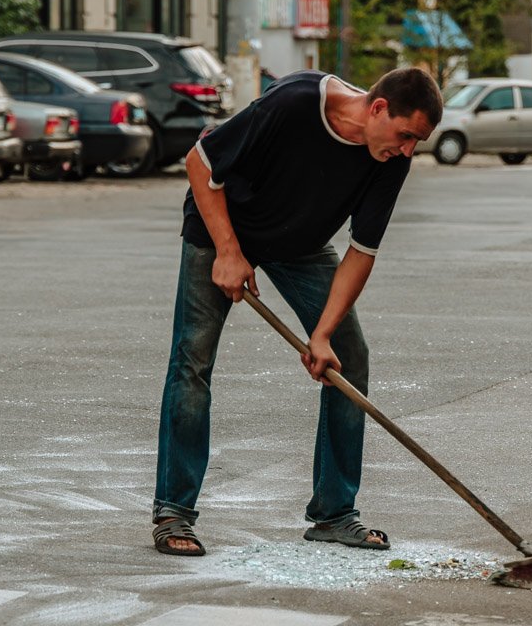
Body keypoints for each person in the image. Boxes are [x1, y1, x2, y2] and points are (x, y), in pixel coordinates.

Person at [151, 67, 442, 557]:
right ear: (377, 108)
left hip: (299, 244)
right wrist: (227, 250)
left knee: (348, 352)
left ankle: (334, 513)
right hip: (222, 226)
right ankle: (174, 510)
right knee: (193, 358)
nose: (408, 149)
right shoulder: (294, 103)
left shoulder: (389, 159)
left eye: (418, 141)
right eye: (406, 134)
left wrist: (324, 334)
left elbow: (361, 252)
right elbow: (201, 163)